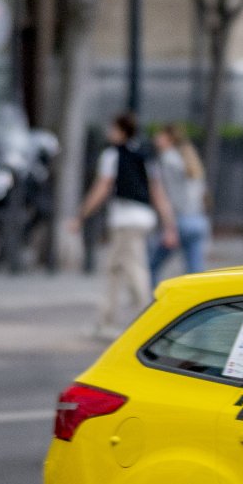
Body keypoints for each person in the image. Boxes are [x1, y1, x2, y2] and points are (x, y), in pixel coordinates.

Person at [69, 112, 177, 339]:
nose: (110, 133)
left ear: (121, 131)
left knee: (133, 268)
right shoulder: (145, 156)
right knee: (115, 268)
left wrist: (81, 215)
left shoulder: (112, 155)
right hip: (143, 217)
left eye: (113, 129)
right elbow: (157, 191)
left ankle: (149, 319)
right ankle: (105, 320)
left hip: (125, 220)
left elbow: (102, 187)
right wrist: (168, 224)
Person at [148, 124, 211, 284]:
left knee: (151, 266)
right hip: (198, 220)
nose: (155, 138)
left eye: (160, 135)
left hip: (179, 221)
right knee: (195, 272)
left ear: (169, 139)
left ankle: (155, 298)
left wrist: (169, 228)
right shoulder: (190, 159)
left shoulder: (165, 160)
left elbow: (161, 196)